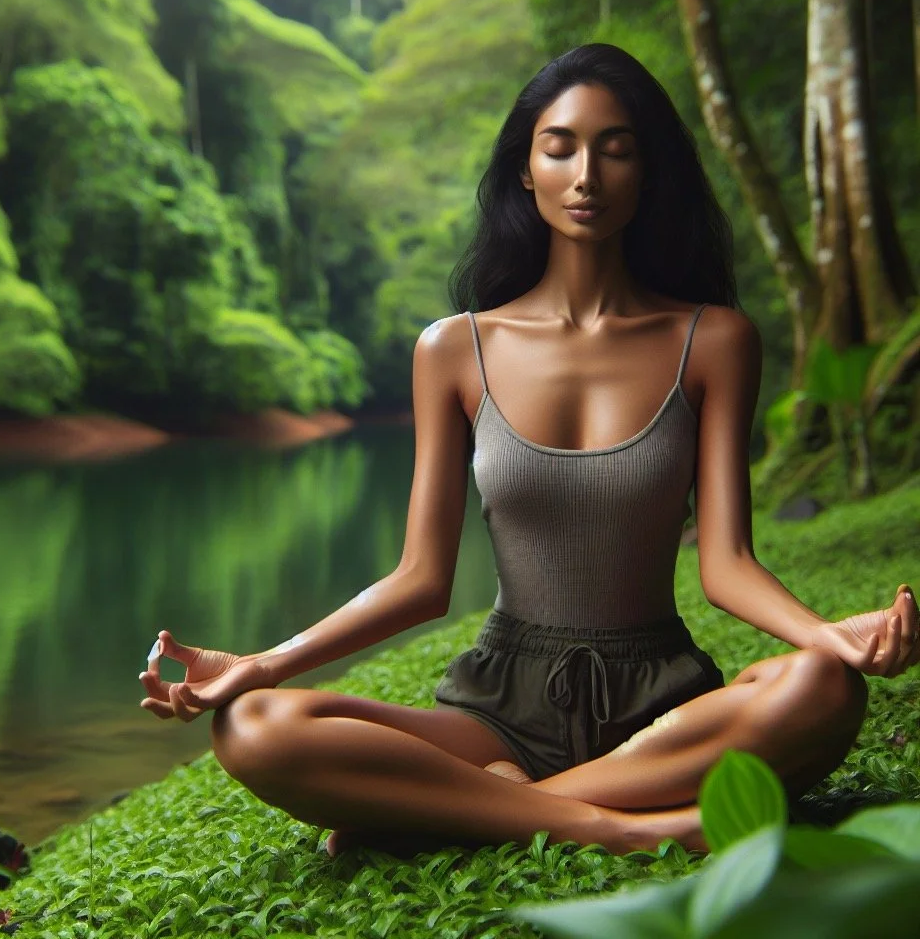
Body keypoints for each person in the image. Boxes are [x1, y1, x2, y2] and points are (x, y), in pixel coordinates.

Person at [139, 43, 917, 859]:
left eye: (616, 150)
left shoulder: (714, 340)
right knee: (256, 727)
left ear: (648, 172)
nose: (587, 175)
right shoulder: (452, 349)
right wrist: (264, 664)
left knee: (823, 688)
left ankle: (455, 815)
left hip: (662, 703)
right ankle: (616, 827)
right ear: (525, 168)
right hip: (495, 713)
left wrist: (829, 638)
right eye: (561, 147)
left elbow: (726, 565)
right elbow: (420, 580)